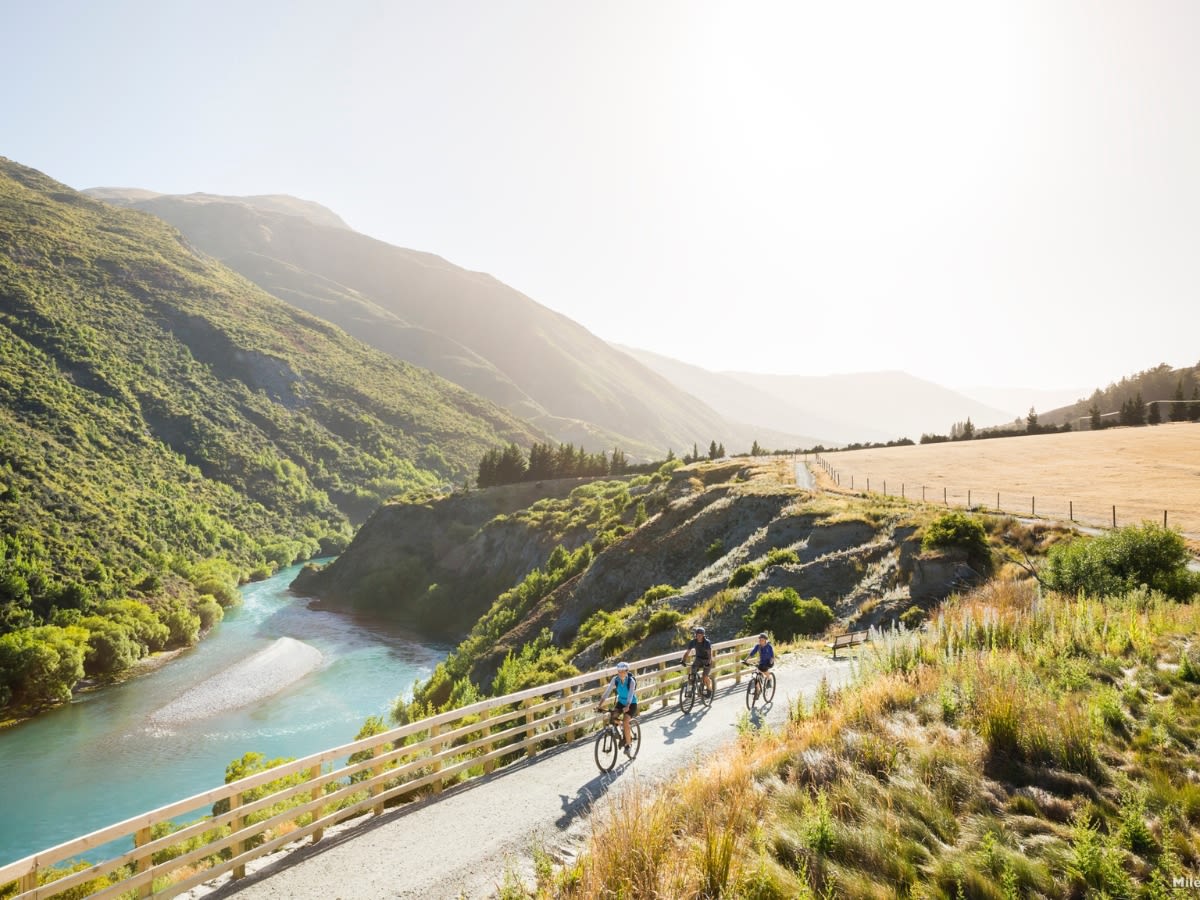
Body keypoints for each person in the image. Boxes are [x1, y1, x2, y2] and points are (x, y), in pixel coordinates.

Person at [596, 661, 638, 756]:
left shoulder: (631, 681)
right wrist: (599, 705)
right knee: (612, 717)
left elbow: (631, 695)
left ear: (627, 671)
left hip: (631, 703)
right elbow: (607, 692)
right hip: (620, 702)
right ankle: (622, 729)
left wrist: (627, 706)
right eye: (619, 671)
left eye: (623, 671)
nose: (621, 673)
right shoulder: (615, 680)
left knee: (626, 721)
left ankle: (628, 745)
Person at [681, 625, 714, 697]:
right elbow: (687, 652)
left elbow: (710, 654)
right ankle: (690, 690)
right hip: (698, 659)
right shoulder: (693, 642)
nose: (698, 636)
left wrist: (708, 663)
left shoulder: (707, 643)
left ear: (703, 635)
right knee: (692, 675)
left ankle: (709, 690)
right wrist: (683, 660)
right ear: (695, 635)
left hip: (707, 660)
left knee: (705, 676)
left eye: (700, 635)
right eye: (697, 635)